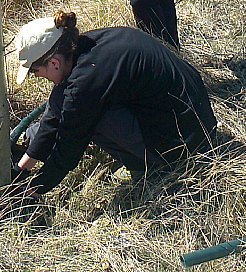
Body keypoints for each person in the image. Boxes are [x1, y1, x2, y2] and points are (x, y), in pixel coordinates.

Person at [13, 10, 217, 196]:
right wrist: (25, 165)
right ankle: (145, 153)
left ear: (54, 63)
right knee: (74, 105)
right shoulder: (88, 44)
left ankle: (148, 165)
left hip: (185, 142)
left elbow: (69, 147)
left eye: (35, 72)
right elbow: (57, 105)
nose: (37, 77)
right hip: (194, 116)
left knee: (91, 118)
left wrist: (33, 190)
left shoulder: (86, 83)